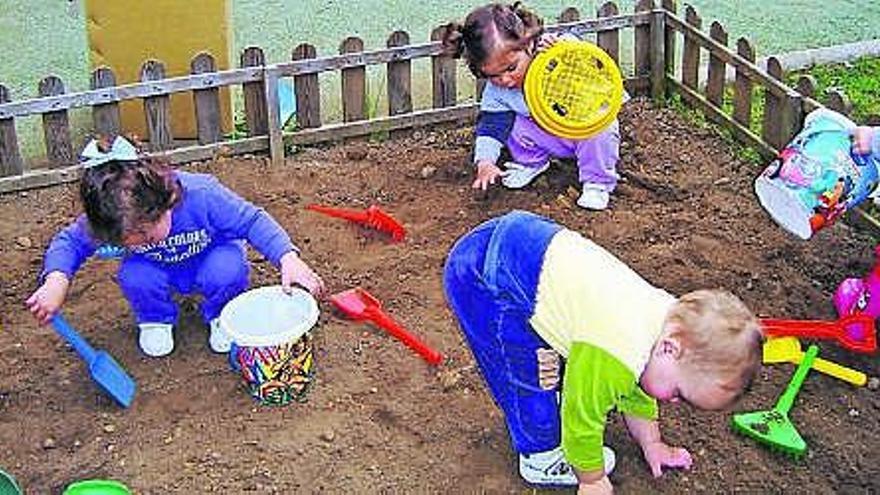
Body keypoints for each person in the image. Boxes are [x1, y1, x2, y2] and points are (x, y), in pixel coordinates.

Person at [443, 210, 763, 493]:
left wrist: (652, 443)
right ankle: (540, 456)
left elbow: (638, 385)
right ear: (671, 348)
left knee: (565, 359)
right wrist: (592, 478)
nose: (673, 400)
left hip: (523, 241)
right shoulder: (617, 351)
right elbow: (581, 417)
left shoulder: (665, 318)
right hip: (485, 279)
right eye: (680, 392)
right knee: (527, 377)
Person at [25, 136, 325, 357]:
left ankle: (222, 315)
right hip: (157, 268)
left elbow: (252, 221)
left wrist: (288, 258)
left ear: (164, 202)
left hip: (209, 256)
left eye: (144, 233)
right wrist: (56, 281)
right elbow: (70, 241)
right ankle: (155, 318)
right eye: (126, 239)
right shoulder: (113, 213)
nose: (137, 241)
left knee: (227, 269)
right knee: (134, 275)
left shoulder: (203, 195)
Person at [441, 2, 622, 210]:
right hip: (547, 136)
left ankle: (597, 182)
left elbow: (590, 65)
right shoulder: (496, 92)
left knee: (602, 129)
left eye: (511, 68)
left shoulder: (552, 52)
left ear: (528, 44)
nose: (506, 80)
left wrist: (563, 51)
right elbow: (491, 128)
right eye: (493, 76)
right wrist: (485, 162)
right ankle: (532, 162)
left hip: (581, 128)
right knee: (510, 123)